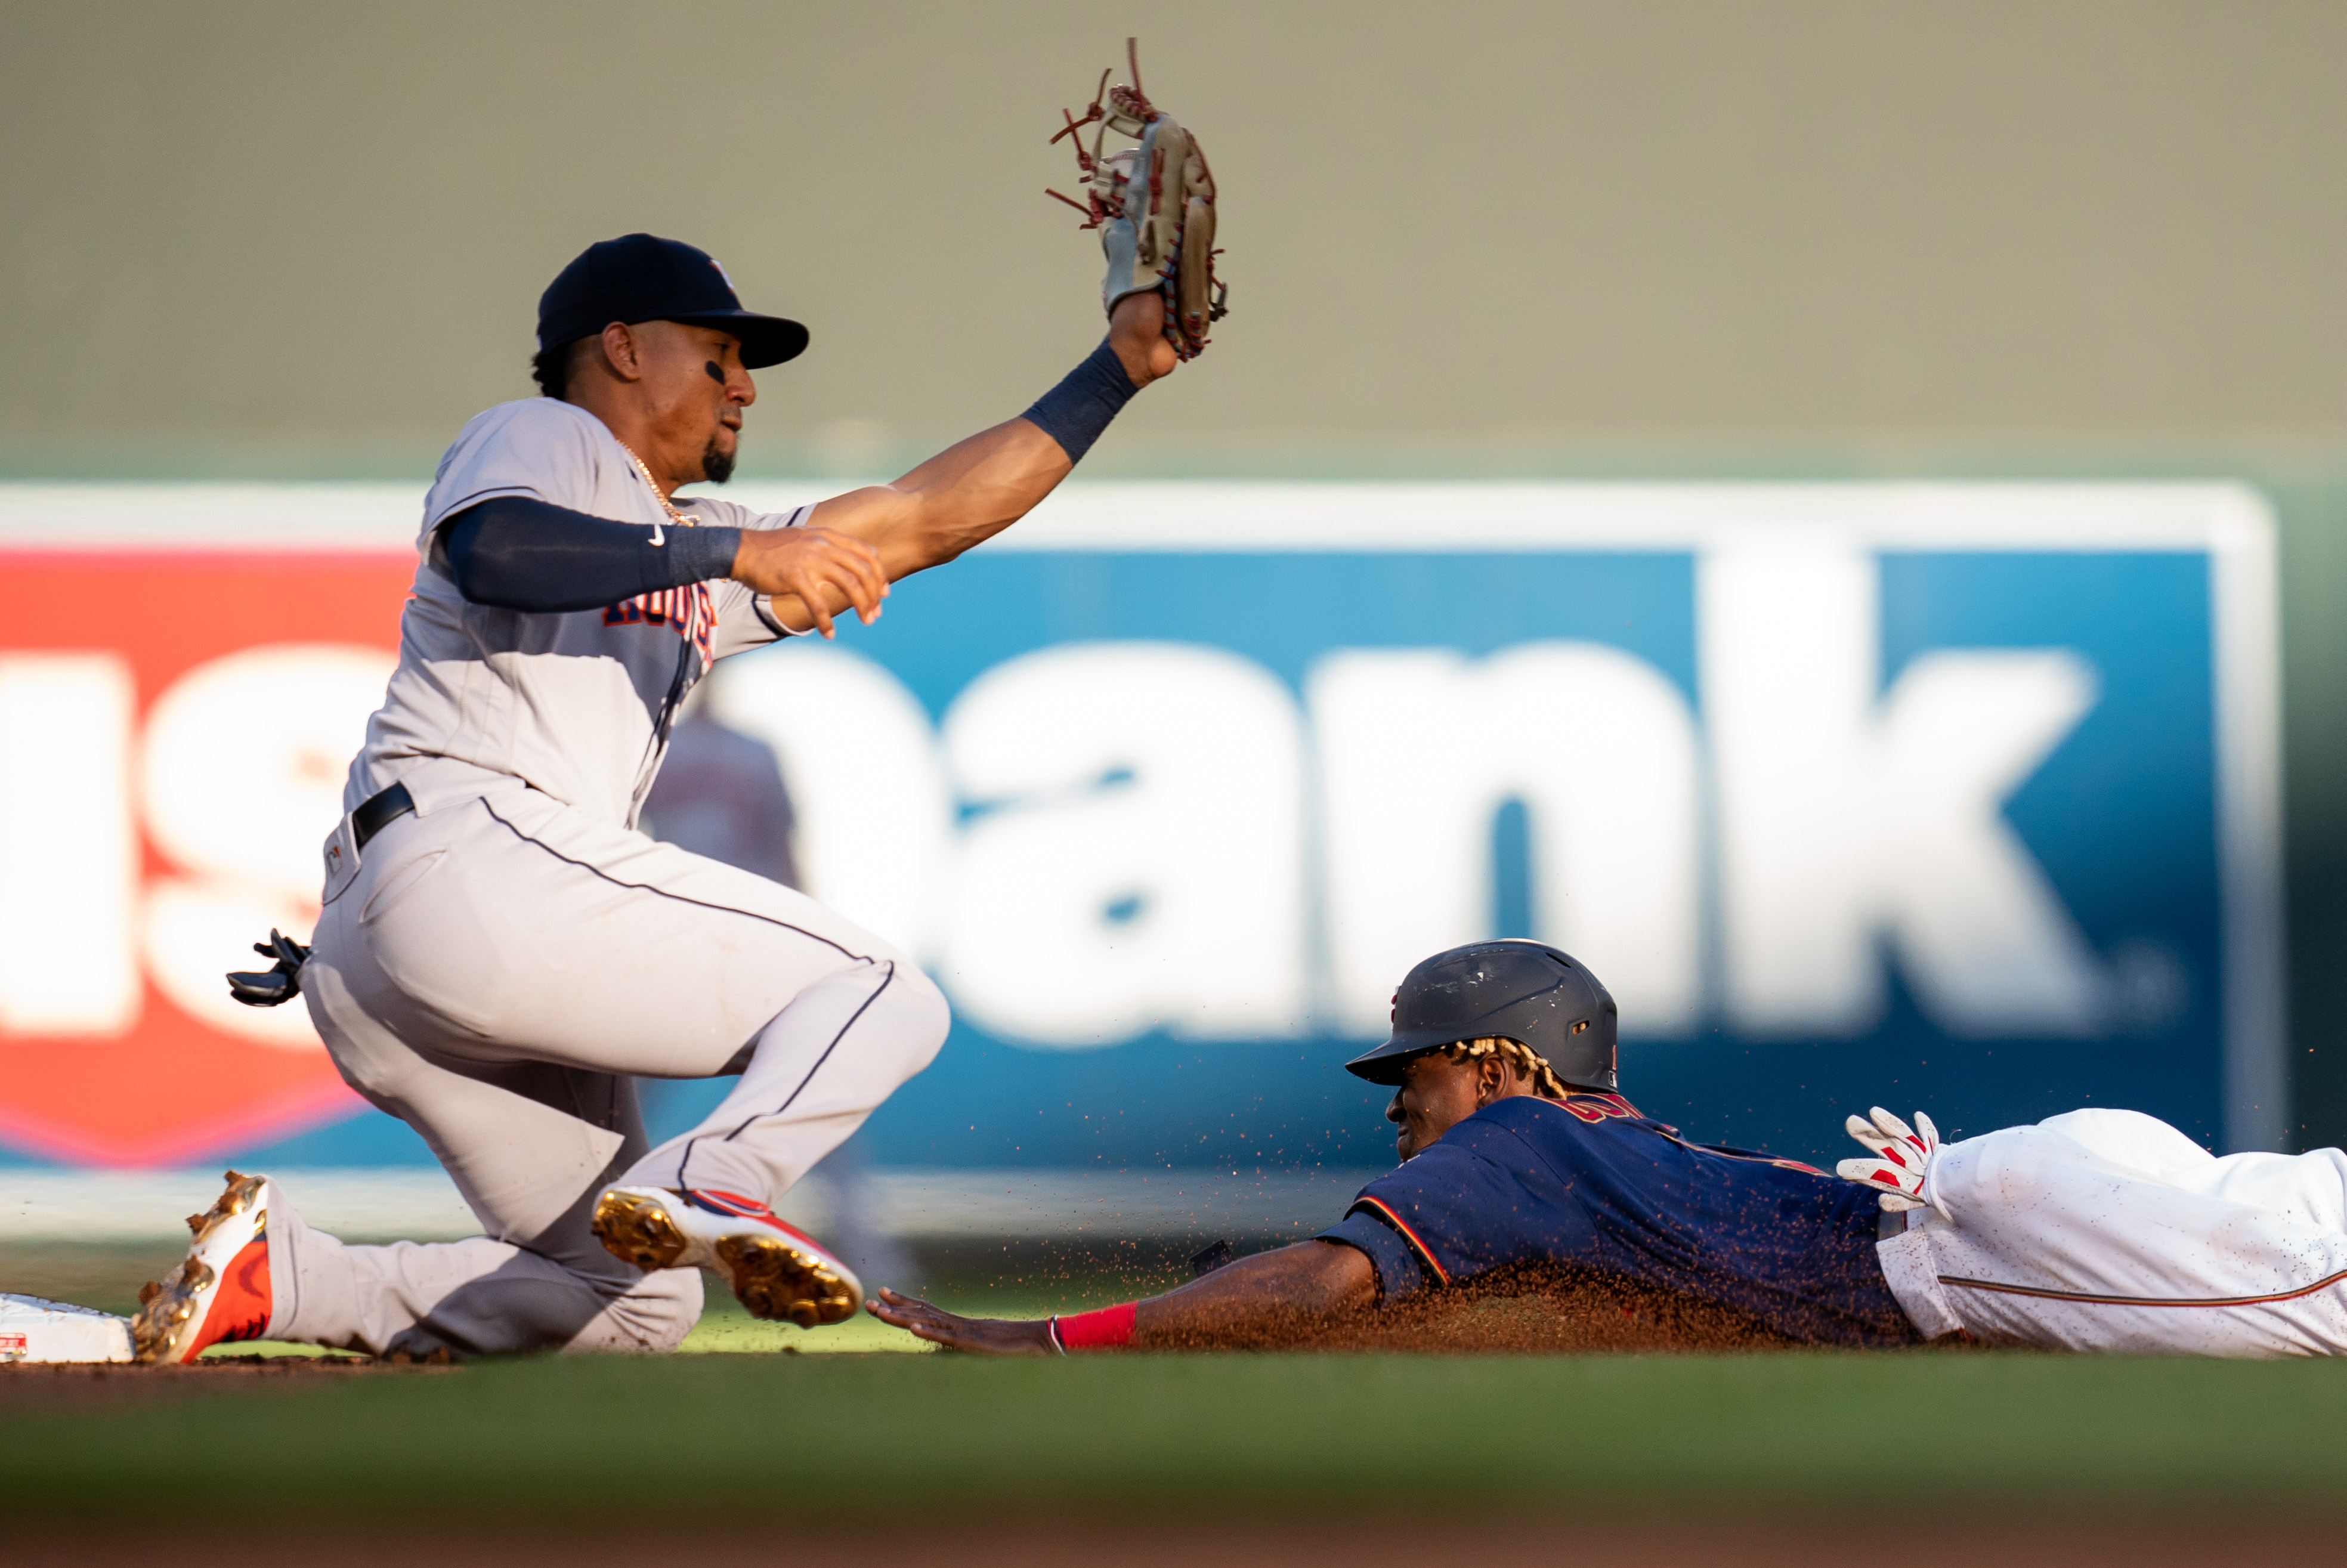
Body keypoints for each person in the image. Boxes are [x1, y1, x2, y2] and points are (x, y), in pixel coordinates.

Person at [131, 230, 1180, 1363]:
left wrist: (1120, 364)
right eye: (719, 352)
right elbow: (495, 551)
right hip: (468, 860)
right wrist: (728, 562)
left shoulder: (683, 542)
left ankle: (286, 1277)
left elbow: (927, 515)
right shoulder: (548, 436)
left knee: (631, 1301)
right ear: (621, 348)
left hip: (409, 943)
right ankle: (712, 1180)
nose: (745, 385)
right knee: (880, 989)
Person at [872, 941, 2347, 1359]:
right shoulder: (1607, 1157)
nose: (1402, 1103)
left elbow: (1326, 1288)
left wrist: (1050, 1337)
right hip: (2035, 1194)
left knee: (2318, 1294)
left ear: (1505, 1061)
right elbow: (1499, 1318)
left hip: (1983, 1230)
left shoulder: (1518, 1139)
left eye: (1421, 1068)